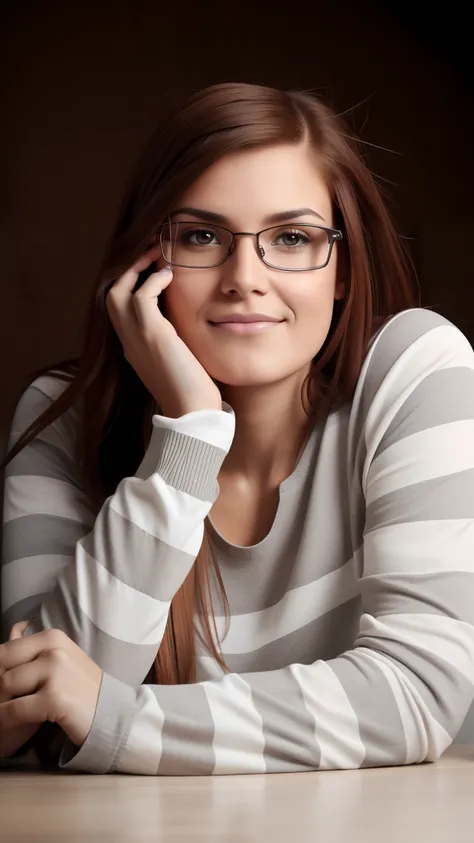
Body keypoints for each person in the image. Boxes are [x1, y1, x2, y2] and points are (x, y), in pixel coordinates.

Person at [1, 82, 474, 775]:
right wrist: (186, 439)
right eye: (201, 236)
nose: (244, 277)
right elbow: (35, 718)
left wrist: (117, 718)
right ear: (145, 263)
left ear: (342, 269)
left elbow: (417, 693)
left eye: (291, 237)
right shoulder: (63, 419)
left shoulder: (415, 371)